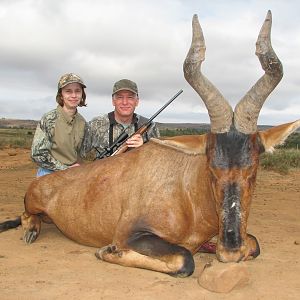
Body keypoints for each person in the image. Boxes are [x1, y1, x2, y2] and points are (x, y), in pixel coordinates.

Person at [83, 79, 160, 159]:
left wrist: (144, 148)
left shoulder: (150, 126)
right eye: (120, 97)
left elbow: (159, 160)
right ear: (113, 101)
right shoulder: (95, 124)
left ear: (137, 101)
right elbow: (79, 155)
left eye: (130, 97)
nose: (125, 102)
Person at [31, 73, 87, 176]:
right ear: (61, 95)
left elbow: (81, 154)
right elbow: (37, 154)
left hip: (73, 174)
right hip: (48, 174)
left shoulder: (82, 122)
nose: (74, 95)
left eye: (77, 91)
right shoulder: (49, 119)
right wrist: (64, 169)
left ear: (82, 94)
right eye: (68, 91)